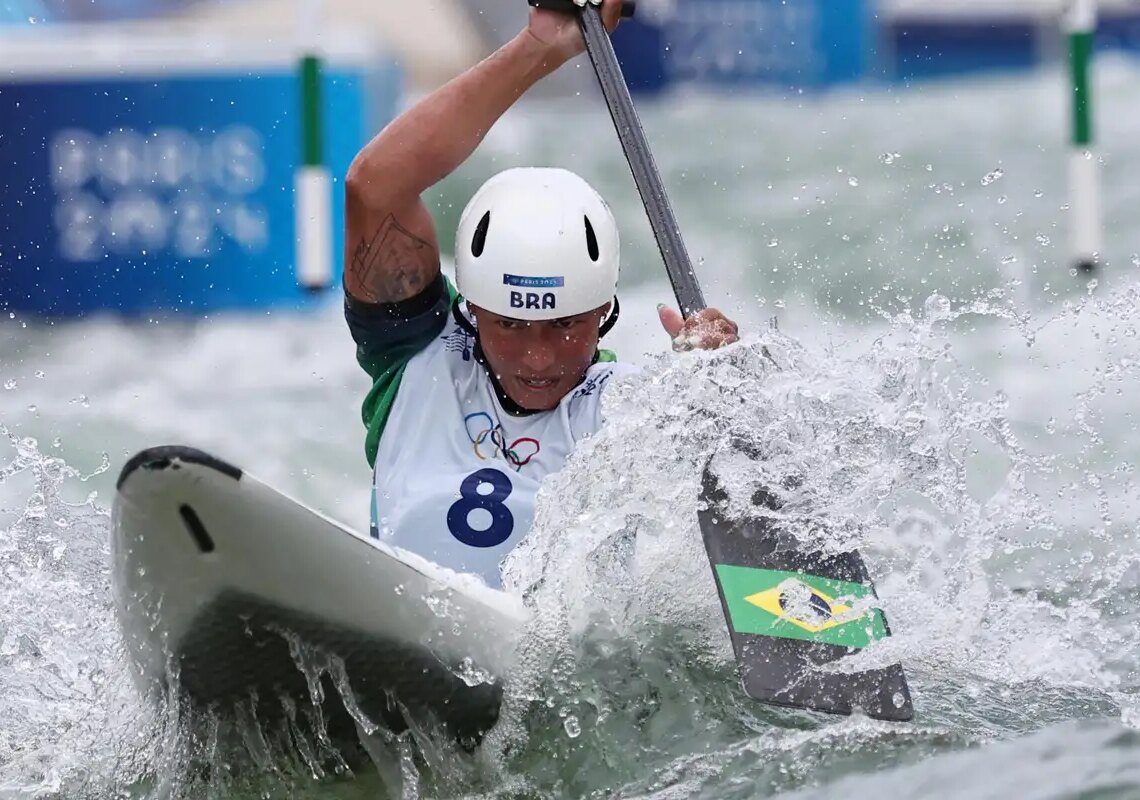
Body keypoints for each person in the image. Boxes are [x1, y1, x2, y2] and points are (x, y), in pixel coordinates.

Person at [342, 0, 739, 588]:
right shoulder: (413, 357)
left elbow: (732, 474)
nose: (538, 358)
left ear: (605, 310)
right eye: (510, 325)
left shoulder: (635, 412)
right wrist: (542, 49)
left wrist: (724, 391)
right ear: (472, 308)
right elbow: (373, 185)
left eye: (565, 325)